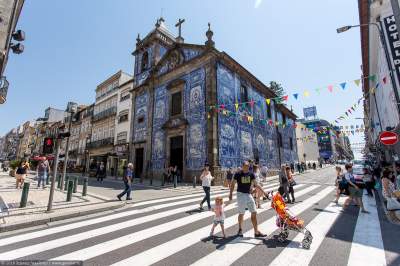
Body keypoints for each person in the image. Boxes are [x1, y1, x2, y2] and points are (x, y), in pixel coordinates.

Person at [229, 161, 267, 238]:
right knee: (241, 213)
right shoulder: (238, 174)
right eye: (245, 166)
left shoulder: (251, 174)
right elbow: (233, 184)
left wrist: (264, 192)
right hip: (241, 194)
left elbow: (256, 184)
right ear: (242, 166)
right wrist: (230, 194)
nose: (246, 167)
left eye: (248, 166)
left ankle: (256, 232)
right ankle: (240, 229)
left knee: (254, 211)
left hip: (248, 194)